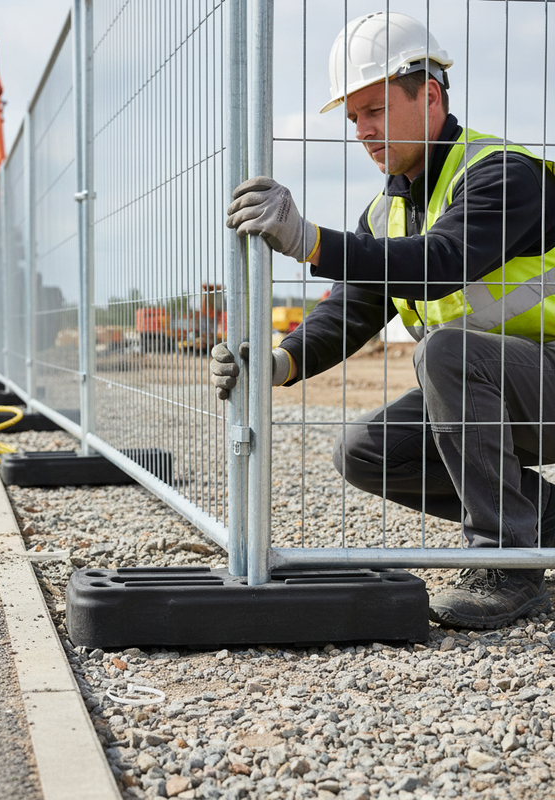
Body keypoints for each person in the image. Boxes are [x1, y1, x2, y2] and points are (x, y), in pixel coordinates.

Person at [212, 11, 555, 630]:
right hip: (500, 396)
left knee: (446, 350)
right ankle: (541, 531)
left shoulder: (504, 174)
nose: (363, 133)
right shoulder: (386, 211)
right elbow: (348, 312)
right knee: (365, 451)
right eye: (353, 120)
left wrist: (311, 240)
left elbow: (443, 261)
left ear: (429, 94)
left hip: (548, 384)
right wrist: (274, 364)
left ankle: (509, 566)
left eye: (374, 111)